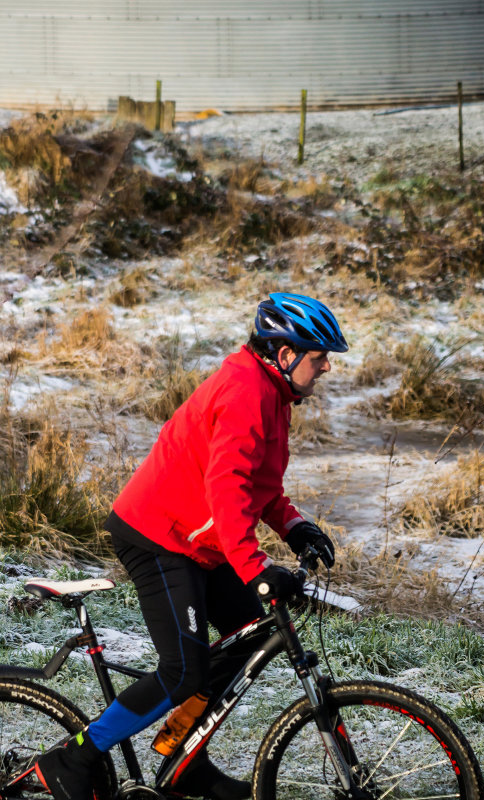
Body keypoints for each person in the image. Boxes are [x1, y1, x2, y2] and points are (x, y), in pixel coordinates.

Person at [36, 292, 348, 800]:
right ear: (285, 353)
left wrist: (294, 526)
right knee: (183, 669)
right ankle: (74, 758)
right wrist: (256, 568)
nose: (327, 368)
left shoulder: (273, 394)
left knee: (246, 635)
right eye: (319, 357)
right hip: (157, 535)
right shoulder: (247, 392)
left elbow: (259, 484)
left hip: (198, 541)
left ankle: (182, 756)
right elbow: (225, 493)